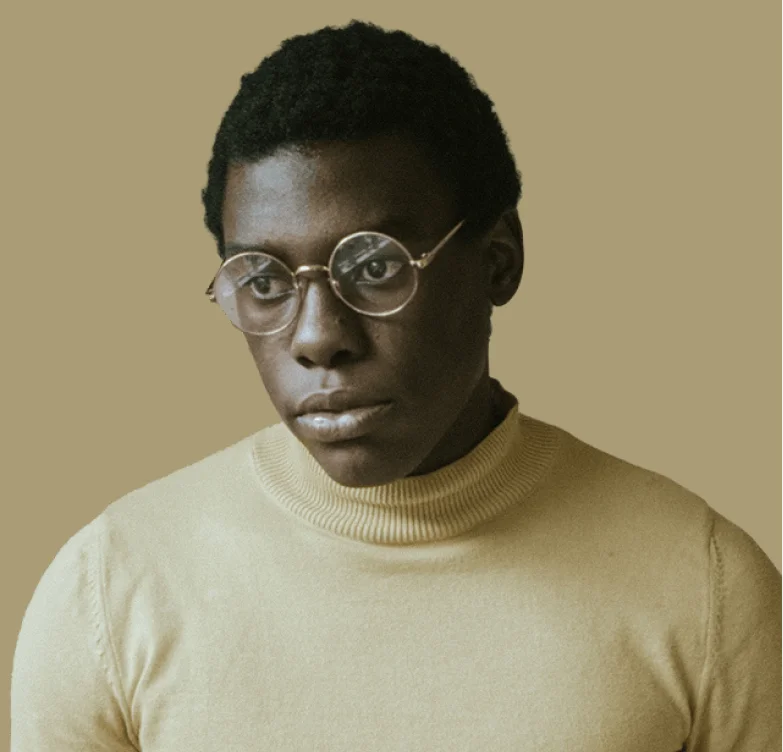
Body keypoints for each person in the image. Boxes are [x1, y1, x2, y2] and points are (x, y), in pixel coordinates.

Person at [11, 20, 781, 752]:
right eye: (265, 281)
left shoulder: (703, 586)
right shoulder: (111, 588)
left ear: (498, 261)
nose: (317, 337)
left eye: (374, 266)